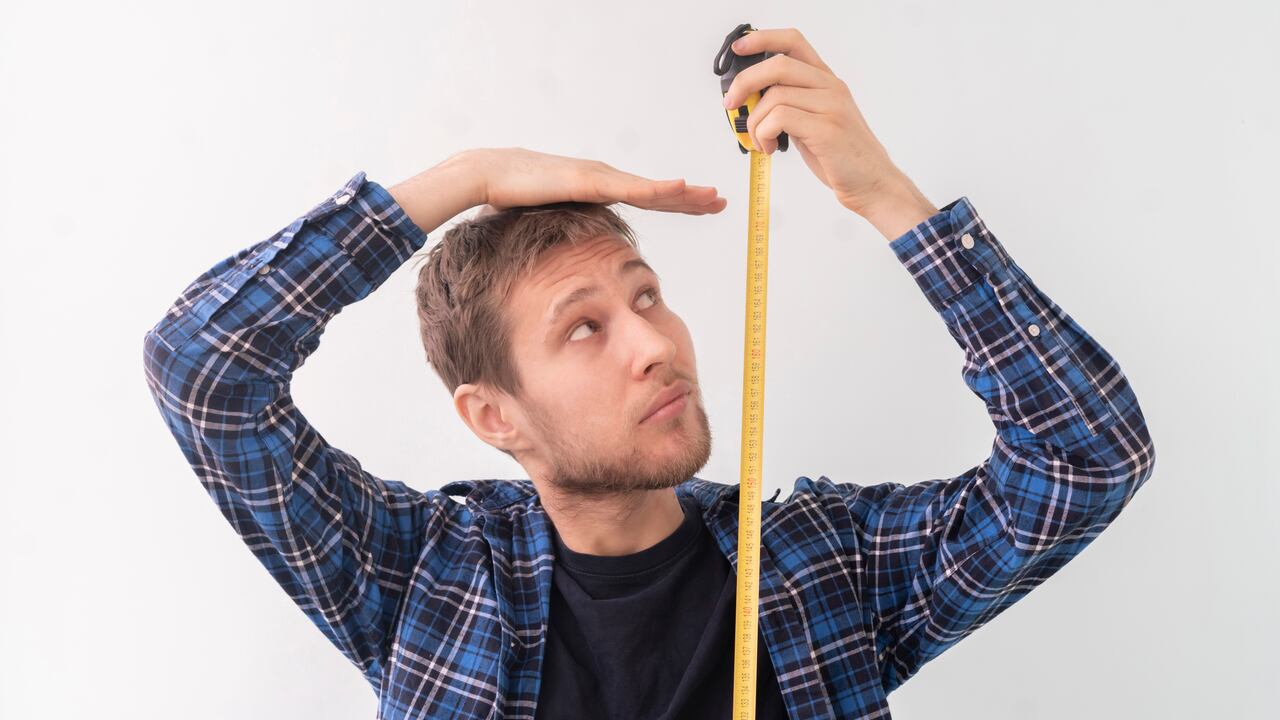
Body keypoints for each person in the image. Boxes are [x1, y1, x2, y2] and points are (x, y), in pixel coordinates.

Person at [142, 27, 1155, 720]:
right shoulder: (419, 576)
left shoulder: (819, 565)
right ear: (493, 415)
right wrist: (467, 178)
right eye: (581, 330)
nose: (654, 342)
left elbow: (1085, 459)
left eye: (642, 295)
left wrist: (886, 198)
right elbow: (203, 370)